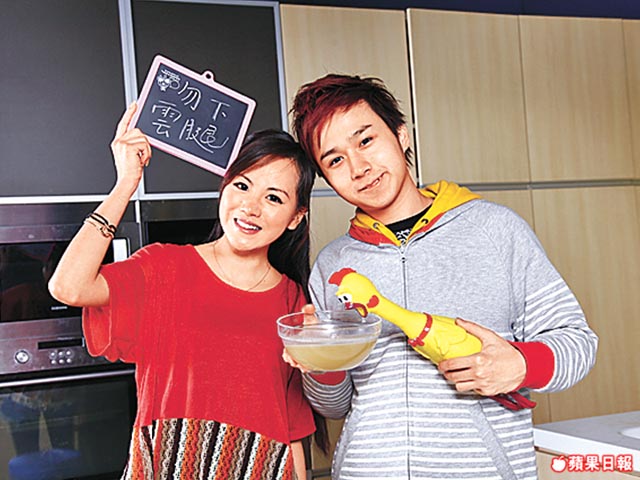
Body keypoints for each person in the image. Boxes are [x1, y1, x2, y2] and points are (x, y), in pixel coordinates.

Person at [286, 74, 598, 480]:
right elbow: (335, 406)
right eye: (335, 160)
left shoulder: (495, 230)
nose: (359, 168)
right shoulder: (333, 265)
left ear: (401, 135)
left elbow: (578, 343)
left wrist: (521, 364)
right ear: (326, 177)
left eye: (366, 141)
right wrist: (318, 361)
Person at [48, 102, 319, 480]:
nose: (250, 207)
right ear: (224, 188)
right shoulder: (164, 267)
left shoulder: (292, 301)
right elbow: (68, 286)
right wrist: (125, 184)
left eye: (273, 197)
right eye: (242, 186)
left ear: (296, 217)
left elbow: (290, 428)